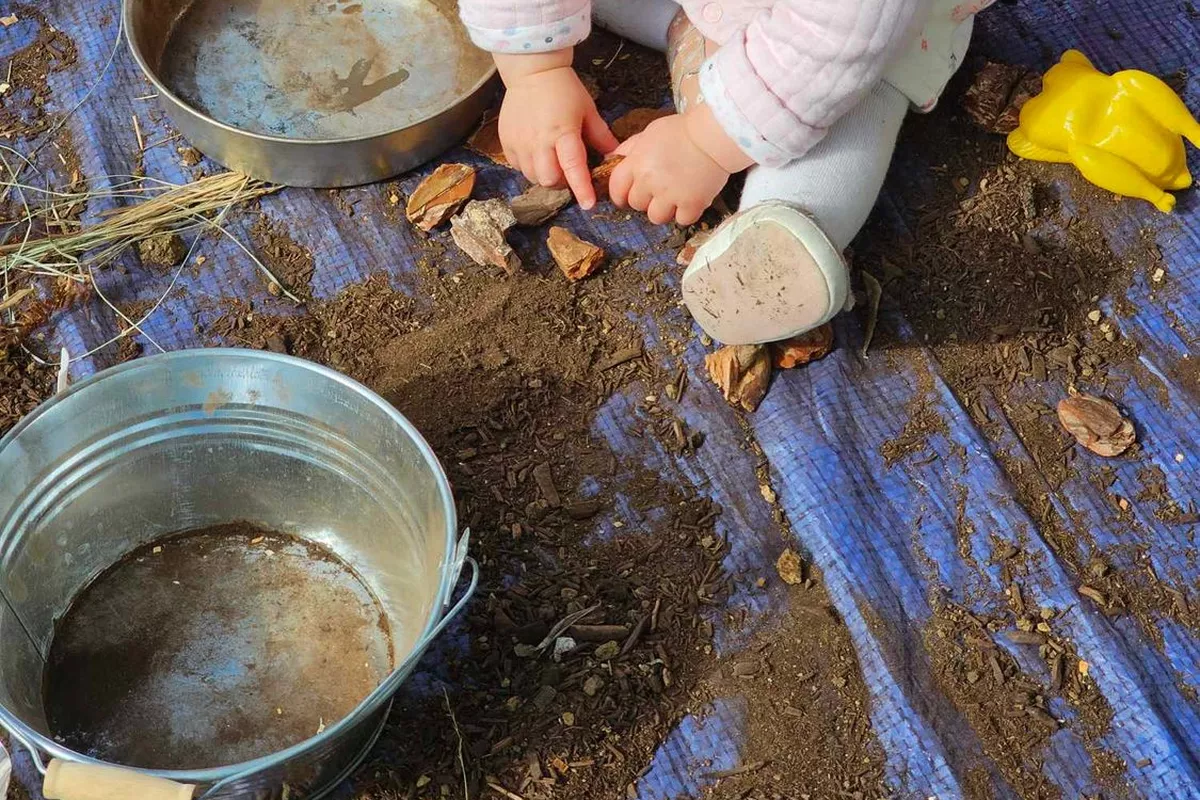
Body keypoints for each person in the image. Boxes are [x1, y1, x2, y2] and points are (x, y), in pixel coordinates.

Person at [457, 0, 996, 345]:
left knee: (850, 114)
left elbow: (844, 34)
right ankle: (687, 32)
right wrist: (532, 67)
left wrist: (707, 143)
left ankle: (783, 229)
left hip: (854, 43)